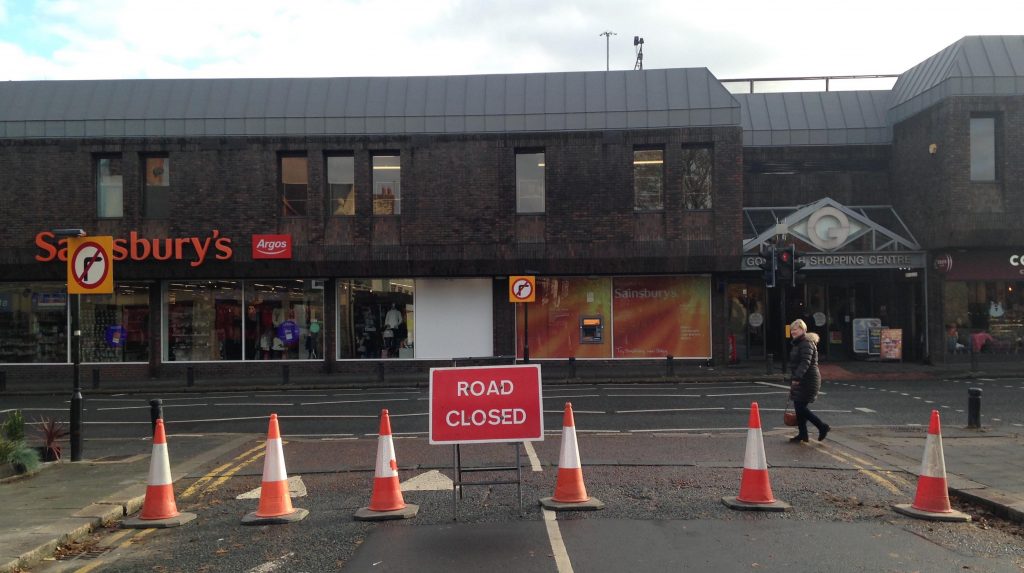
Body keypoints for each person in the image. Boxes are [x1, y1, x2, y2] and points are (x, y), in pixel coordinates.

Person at [788, 319, 830, 443]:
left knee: (800, 407)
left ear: (803, 329)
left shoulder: (806, 343)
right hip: (803, 379)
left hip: (809, 380)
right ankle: (803, 434)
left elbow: (805, 362)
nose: (793, 331)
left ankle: (822, 426)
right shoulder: (799, 343)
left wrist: (797, 378)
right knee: (798, 407)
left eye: (796, 329)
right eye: (792, 329)